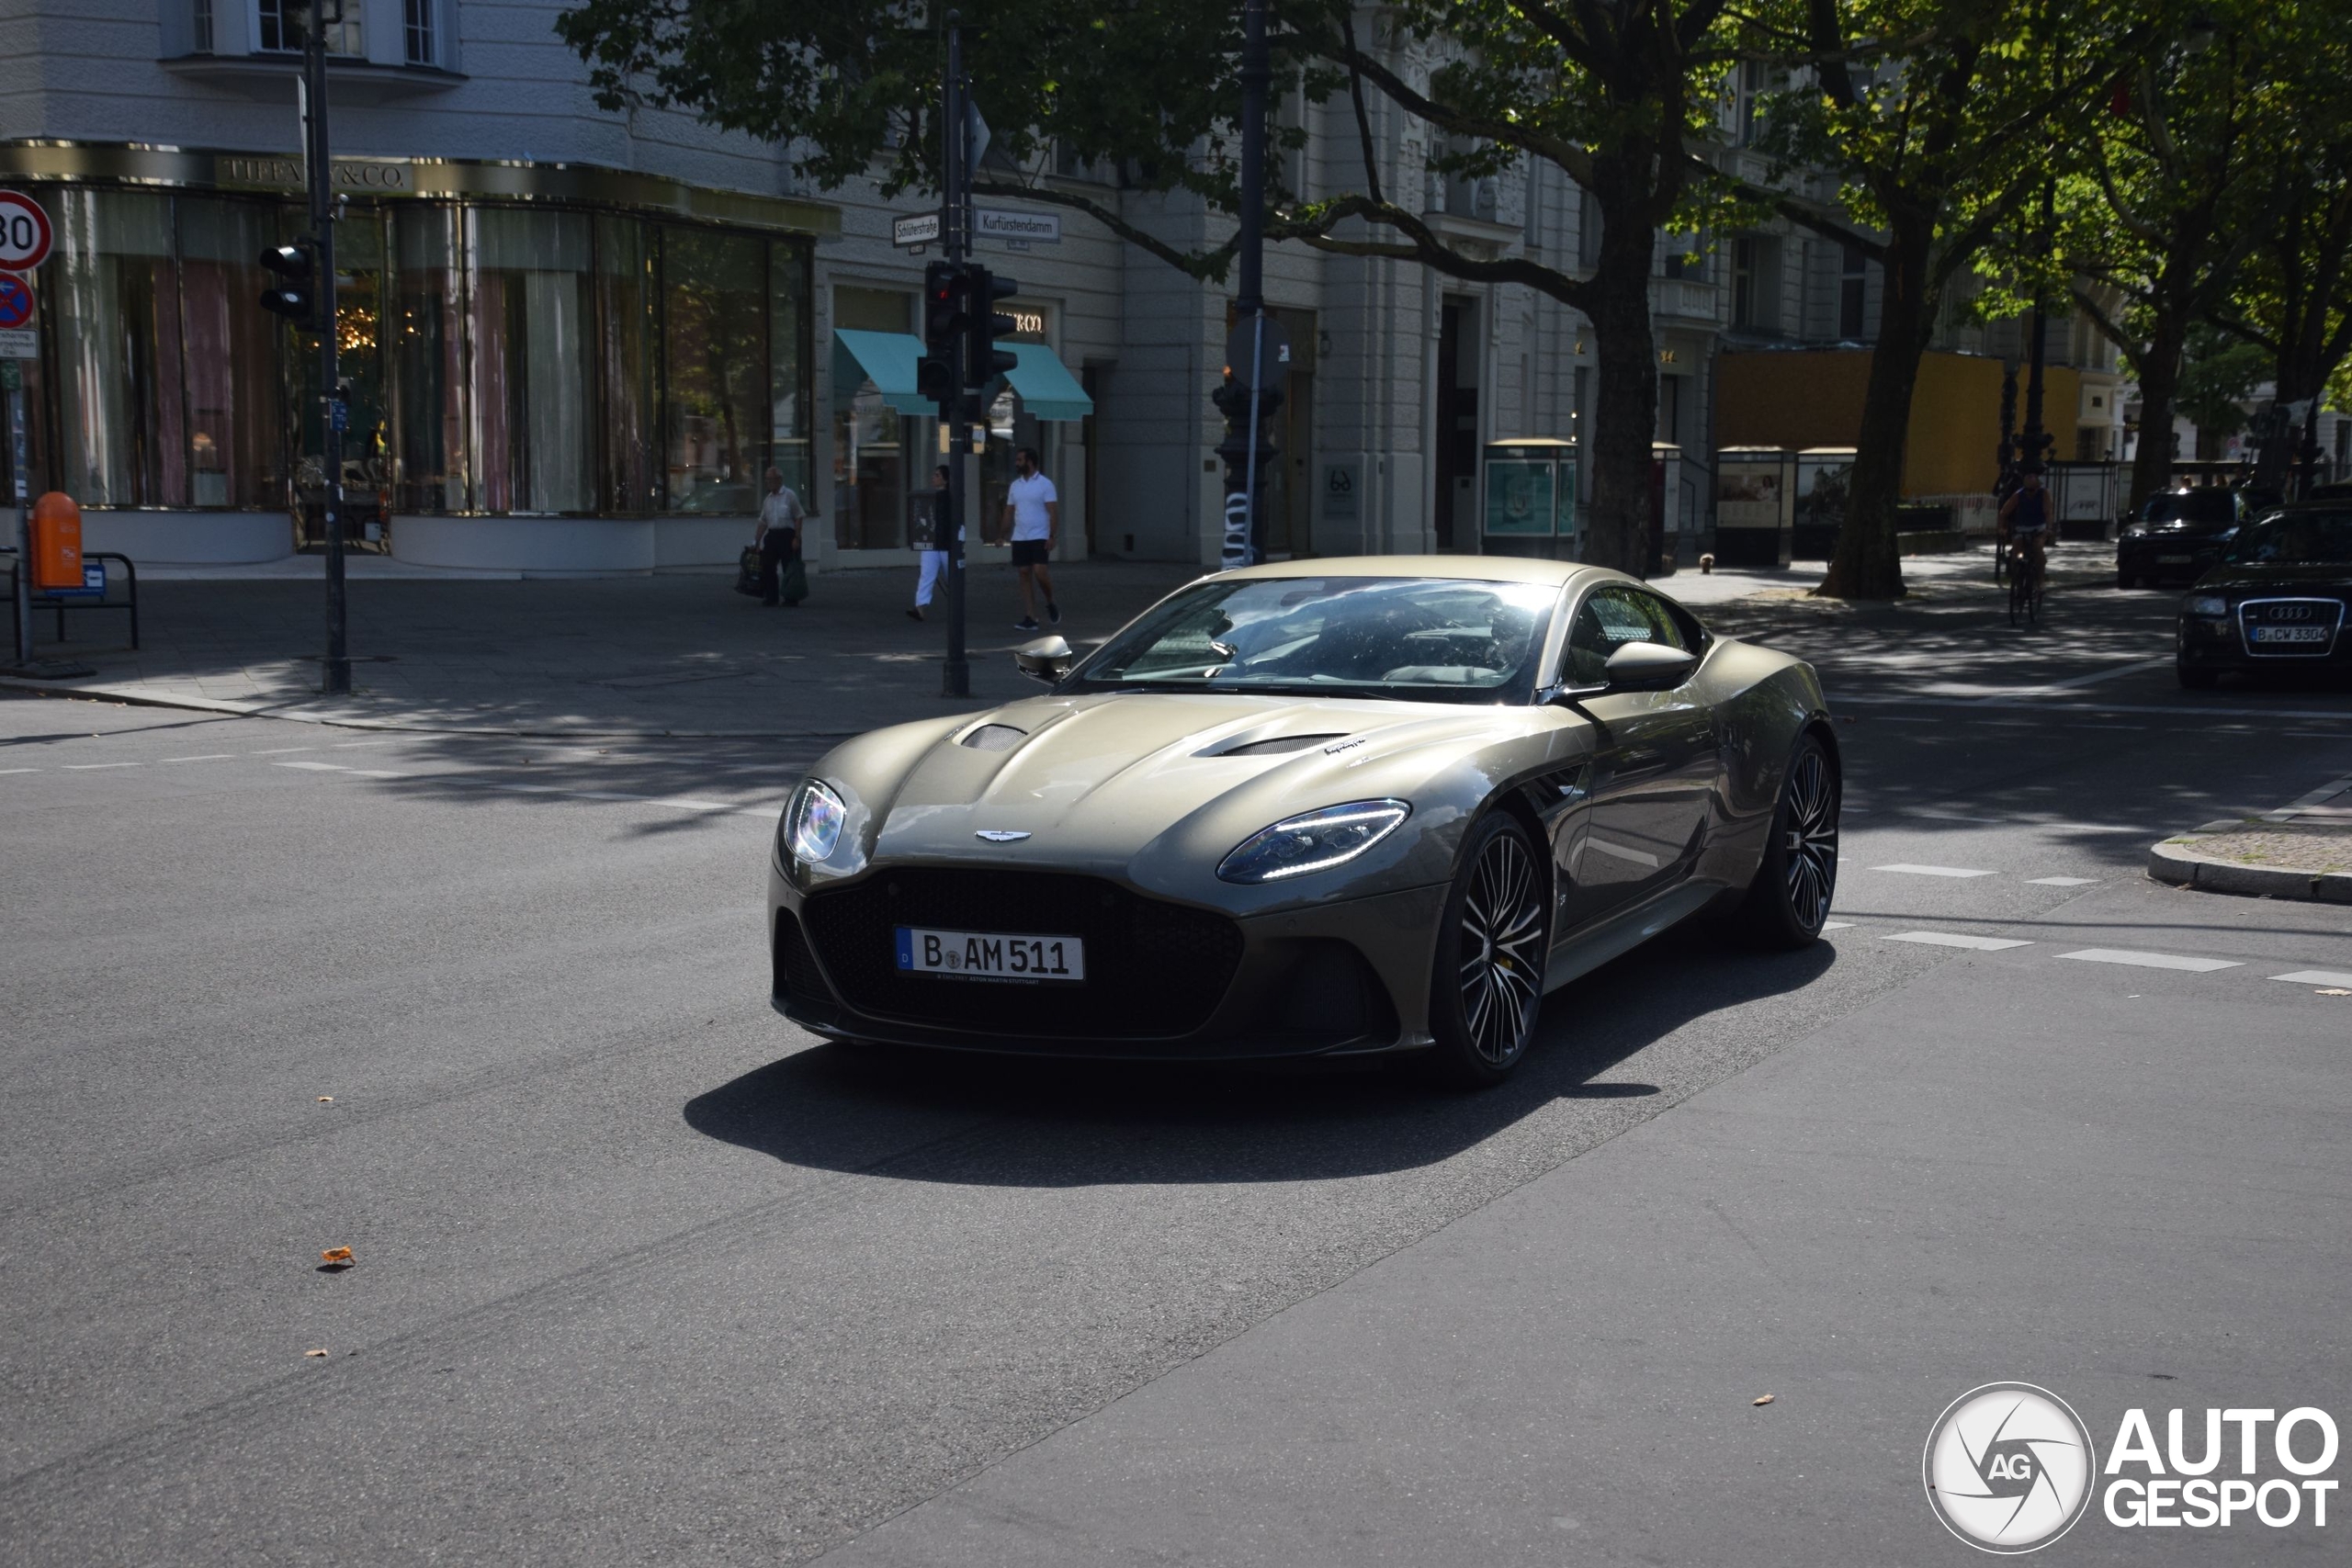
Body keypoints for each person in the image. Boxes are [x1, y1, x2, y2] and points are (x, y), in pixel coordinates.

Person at [1001, 446, 1059, 631]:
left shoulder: (1045, 484)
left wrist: (1052, 535)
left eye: (1020, 460)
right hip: (1020, 536)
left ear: (1030, 462)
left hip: (1039, 535)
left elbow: (1053, 511)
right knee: (1024, 573)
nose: (1017, 463)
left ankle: (1050, 601)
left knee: (1040, 572)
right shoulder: (1015, 486)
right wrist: (1002, 535)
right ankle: (1030, 616)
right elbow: (1009, 511)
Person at [754, 467, 808, 607]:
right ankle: (772, 597)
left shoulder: (790, 495)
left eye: (771, 479)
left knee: (789, 567)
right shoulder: (768, 500)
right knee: (767, 566)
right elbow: (763, 521)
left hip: (787, 535)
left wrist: (797, 537)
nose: (768, 483)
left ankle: (791, 597)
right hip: (773, 535)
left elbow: (799, 516)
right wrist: (757, 541)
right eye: (767, 480)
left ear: (779, 480)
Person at [909, 465, 956, 622]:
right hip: (932, 541)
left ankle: (956, 601)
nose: (933, 478)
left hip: (946, 543)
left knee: (952, 575)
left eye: (937, 475)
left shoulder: (951, 498)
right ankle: (920, 606)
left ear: (945, 479)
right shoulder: (930, 497)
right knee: (927, 574)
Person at [1996, 466, 2051, 591]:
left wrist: (2048, 528)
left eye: (2032, 490)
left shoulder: (2044, 494)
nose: (2029, 492)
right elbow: (2004, 512)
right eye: (2027, 490)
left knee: (2037, 548)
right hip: (2021, 528)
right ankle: (2016, 578)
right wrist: (2001, 528)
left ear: (2038, 487)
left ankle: (2041, 582)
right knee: (2017, 552)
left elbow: (2048, 512)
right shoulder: (2018, 495)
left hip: (2039, 528)